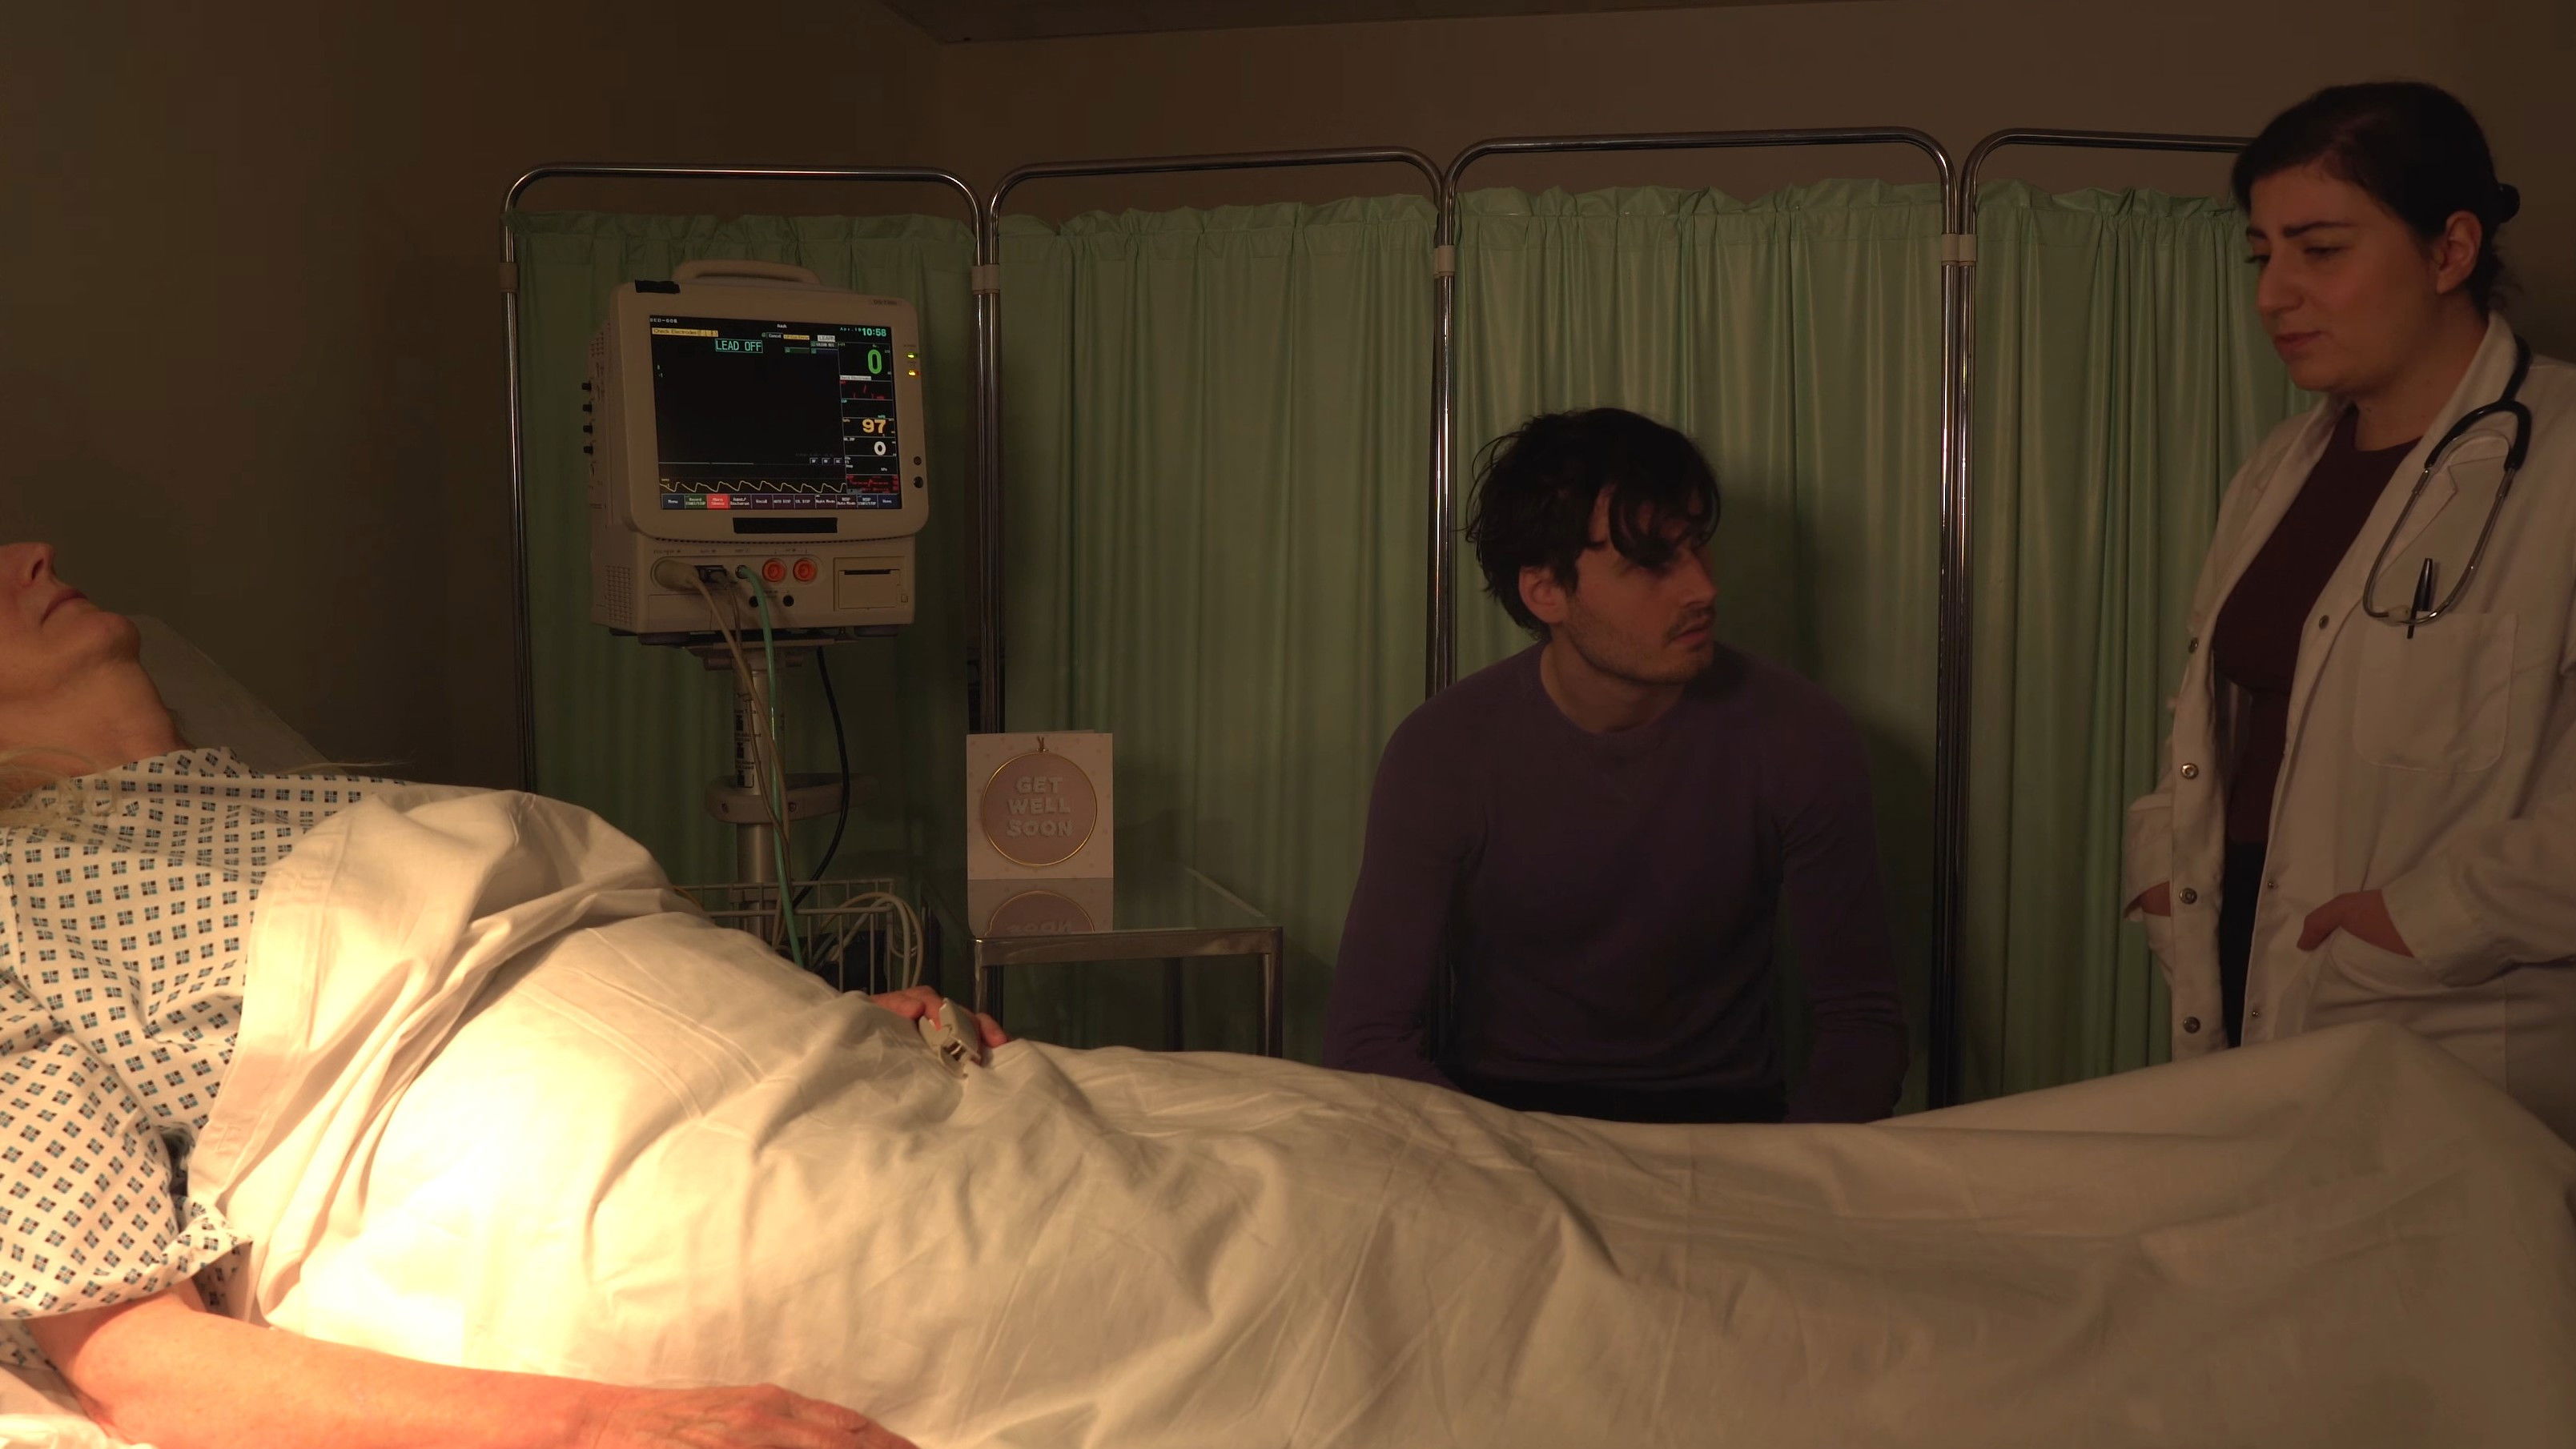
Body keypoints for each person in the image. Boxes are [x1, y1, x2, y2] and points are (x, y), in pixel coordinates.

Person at [0, 540, 1002, 1448]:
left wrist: (799, 1017)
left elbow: (556, 951)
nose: (32, 552)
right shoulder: (16, 910)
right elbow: (135, 1361)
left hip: (840, 1096)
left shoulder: (307, 802)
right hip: (671, 1215)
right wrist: (617, 1426)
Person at [2124, 81, 2576, 1142]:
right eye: (2260, 255)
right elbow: (2207, 709)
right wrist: (2159, 866)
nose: (2272, 295)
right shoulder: (2278, 467)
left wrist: (2424, 922)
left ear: (2450, 250)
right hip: (2245, 959)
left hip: (2442, 1011)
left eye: (2319, 251)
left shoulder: (2561, 461)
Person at [1324, 407, 1907, 1123]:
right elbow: (1366, 1037)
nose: (1701, 588)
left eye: (1695, 546)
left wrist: (1795, 1165)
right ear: (1546, 591)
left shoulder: (1799, 735)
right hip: (1504, 1122)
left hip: (1726, 1123)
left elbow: (1861, 1025)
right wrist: (1497, 1157)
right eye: (1651, 563)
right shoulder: (1445, 750)